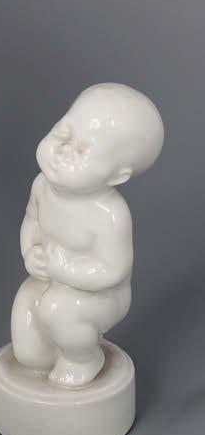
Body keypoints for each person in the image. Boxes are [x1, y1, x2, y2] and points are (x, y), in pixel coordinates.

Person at [11, 83, 164, 387]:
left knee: (58, 309)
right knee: (28, 347)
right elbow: (32, 222)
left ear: (117, 175)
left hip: (100, 297)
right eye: (62, 133)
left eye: (82, 150)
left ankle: (83, 359)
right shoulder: (42, 186)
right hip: (50, 279)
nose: (63, 151)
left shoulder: (109, 215)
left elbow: (112, 271)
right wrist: (30, 252)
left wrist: (63, 269)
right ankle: (55, 349)